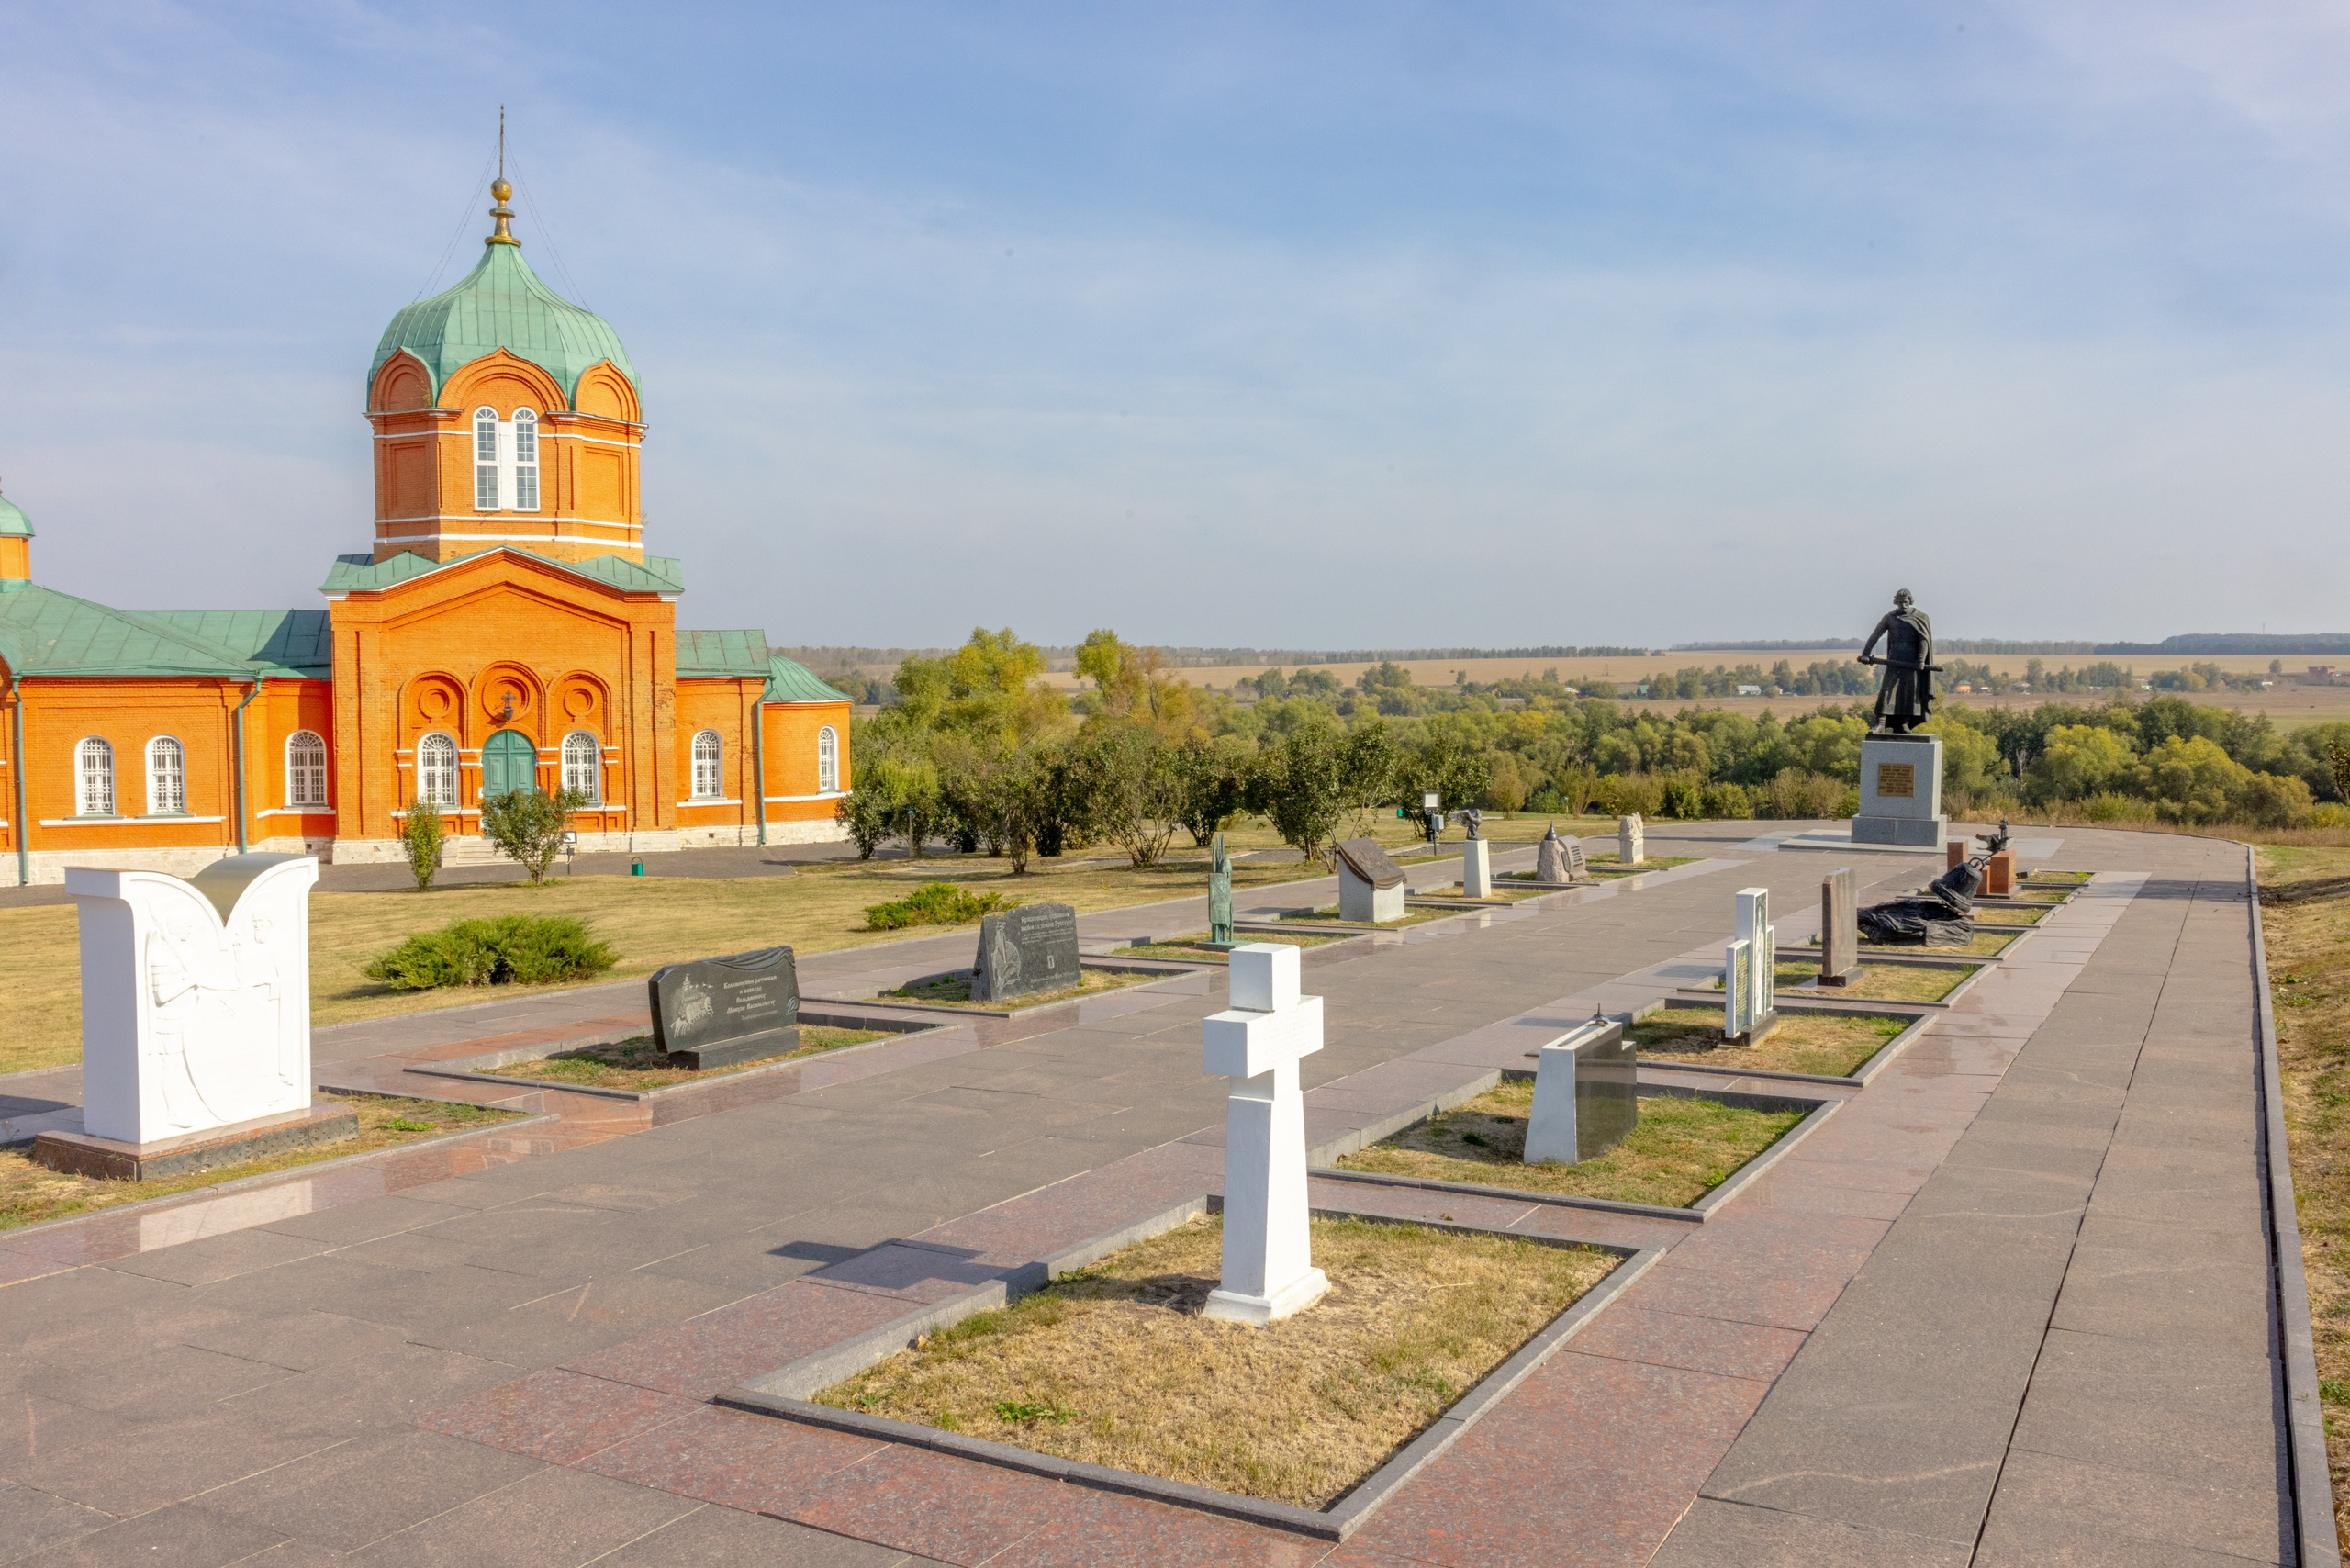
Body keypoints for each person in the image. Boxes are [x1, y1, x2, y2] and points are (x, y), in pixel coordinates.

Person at [1858, 589, 1935, 734]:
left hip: (1912, 661)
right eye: (1900, 603)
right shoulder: (1890, 618)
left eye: (1906, 602)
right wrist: (1866, 653)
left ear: (1910, 601)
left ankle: (1903, 723)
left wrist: (1920, 659)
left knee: (1910, 692)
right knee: (1887, 690)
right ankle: (1880, 723)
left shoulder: (1921, 617)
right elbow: (1875, 635)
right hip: (1894, 659)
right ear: (1896, 602)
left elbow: (1924, 640)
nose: (1903, 606)